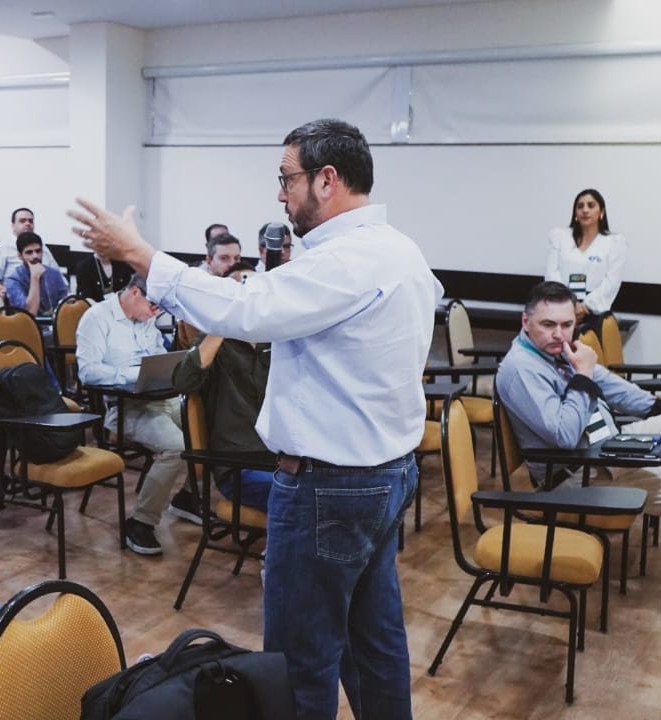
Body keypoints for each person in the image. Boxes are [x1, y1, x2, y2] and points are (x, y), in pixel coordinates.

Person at [70, 118, 441, 720]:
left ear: (326, 179)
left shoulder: (346, 259)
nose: (279, 193)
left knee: (301, 664)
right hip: (381, 475)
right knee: (373, 644)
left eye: (286, 178)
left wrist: (139, 253)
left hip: (328, 485)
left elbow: (246, 309)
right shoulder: (399, 249)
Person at [497, 280, 661, 644]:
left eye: (566, 324)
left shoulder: (560, 351)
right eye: (548, 324)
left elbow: (613, 389)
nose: (559, 334)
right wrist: (583, 375)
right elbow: (564, 434)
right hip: (575, 475)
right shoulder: (520, 368)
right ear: (525, 322)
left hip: (606, 450)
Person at [76, 277, 187, 553]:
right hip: (124, 407)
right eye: (153, 306)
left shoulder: (146, 317)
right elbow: (88, 372)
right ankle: (140, 522)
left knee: (208, 428)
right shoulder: (97, 318)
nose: (155, 314)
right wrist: (134, 374)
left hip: (159, 397)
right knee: (177, 446)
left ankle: (188, 498)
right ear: (135, 292)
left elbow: (158, 358)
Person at [171, 264, 273, 515]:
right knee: (308, 495)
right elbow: (183, 382)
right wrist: (222, 323)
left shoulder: (274, 339)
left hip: (281, 455)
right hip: (238, 463)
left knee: (339, 485)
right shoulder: (215, 341)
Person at [543, 188, 625, 336]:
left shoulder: (614, 242)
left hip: (595, 313)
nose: (585, 210)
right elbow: (551, 274)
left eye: (591, 205)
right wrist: (570, 304)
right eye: (580, 206)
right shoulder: (559, 236)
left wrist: (584, 306)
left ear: (601, 212)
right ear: (575, 213)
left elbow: (612, 282)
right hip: (560, 310)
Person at [0, 208, 61, 282]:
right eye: (22, 221)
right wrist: (5, 288)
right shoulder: (1, 248)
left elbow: (58, 275)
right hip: (13, 288)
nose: (28, 224)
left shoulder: (43, 248)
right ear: (13, 225)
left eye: (31, 221)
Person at [4, 232, 68, 315]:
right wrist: (35, 278)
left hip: (54, 321)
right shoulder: (13, 280)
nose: (35, 256)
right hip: (27, 322)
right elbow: (30, 313)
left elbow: (65, 305)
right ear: (20, 255)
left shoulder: (54, 274)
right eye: (29, 252)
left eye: (38, 251)